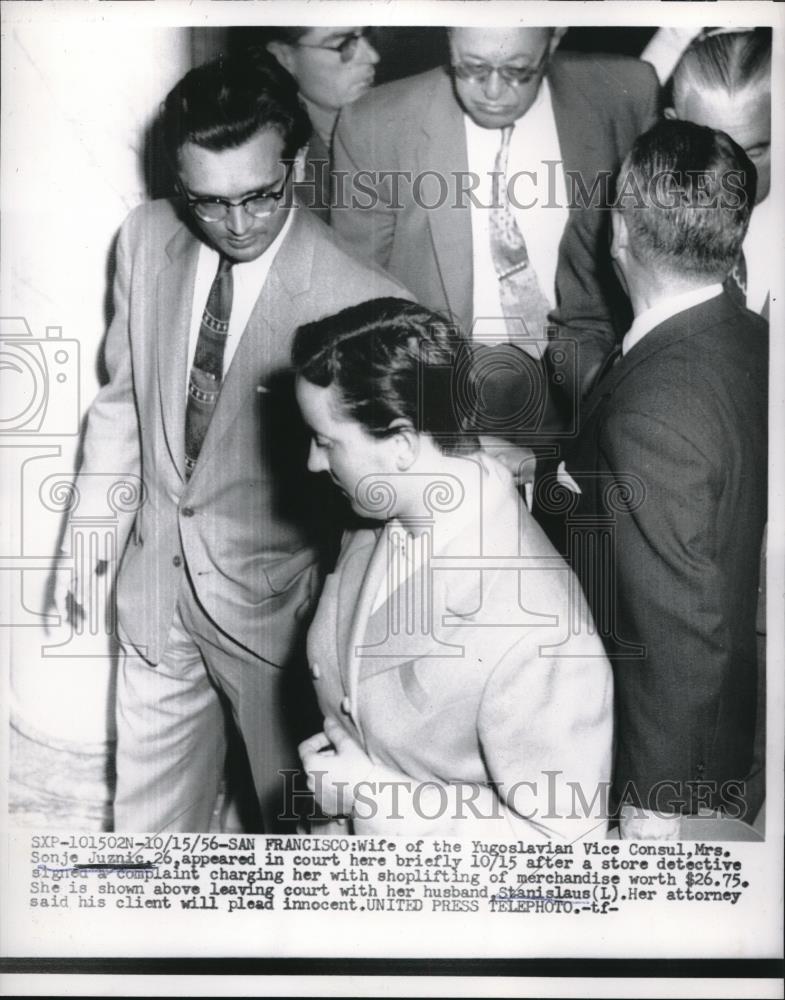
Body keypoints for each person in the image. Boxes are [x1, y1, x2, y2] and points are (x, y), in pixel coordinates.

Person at [52, 51, 408, 833]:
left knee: (292, 844)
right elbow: (121, 409)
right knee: (146, 845)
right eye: (207, 202)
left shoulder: (366, 303)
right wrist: (90, 542)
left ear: (299, 164)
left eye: (260, 196)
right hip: (154, 599)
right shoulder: (145, 239)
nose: (236, 223)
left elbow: (386, 516)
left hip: (280, 633)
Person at [292, 297, 613, 838]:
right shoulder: (378, 513)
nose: (312, 462)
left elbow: (565, 848)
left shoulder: (542, 628)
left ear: (400, 445)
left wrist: (372, 795)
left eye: (326, 442)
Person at [559, 120, 767, 836]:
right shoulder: (746, 338)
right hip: (739, 733)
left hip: (673, 769)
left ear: (618, 232)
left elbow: (677, 628)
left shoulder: (652, 410)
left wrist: (655, 805)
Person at [332, 27, 659, 435]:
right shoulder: (376, 123)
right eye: (470, 68)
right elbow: (359, 296)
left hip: (595, 379)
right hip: (445, 394)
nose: (491, 90)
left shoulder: (626, 92)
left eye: (518, 71)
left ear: (554, 39)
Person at [558, 27, 772, 400]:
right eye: (713, 149)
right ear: (671, 123)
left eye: (756, 151)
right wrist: (613, 398)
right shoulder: (611, 206)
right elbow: (576, 331)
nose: (735, 178)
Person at [264, 27, 380, 220]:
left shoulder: (399, 121)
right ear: (283, 57)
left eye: (368, 36)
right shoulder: (277, 168)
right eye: (343, 44)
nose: (373, 56)